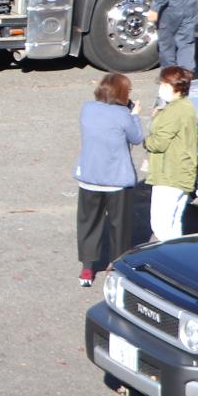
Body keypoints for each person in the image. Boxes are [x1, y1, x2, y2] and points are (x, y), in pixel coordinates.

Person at [76, 71, 144, 287]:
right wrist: (135, 115)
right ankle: (115, 265)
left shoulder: (87, 109)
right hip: (116, 181)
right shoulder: (123, 115)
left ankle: (87, 269)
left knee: (89, 223)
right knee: (119, 226)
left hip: (89, 177)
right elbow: (137, 137)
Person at [144, 66, 198, 242]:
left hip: (169, 174)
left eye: (162, 84)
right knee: (175, 224)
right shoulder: (187, 106)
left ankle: (164, 261)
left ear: (170, 86)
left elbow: (159, 143)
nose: (160, 88)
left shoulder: (173, 111)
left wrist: (146, 141)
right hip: (183, 174)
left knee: (161, 226)